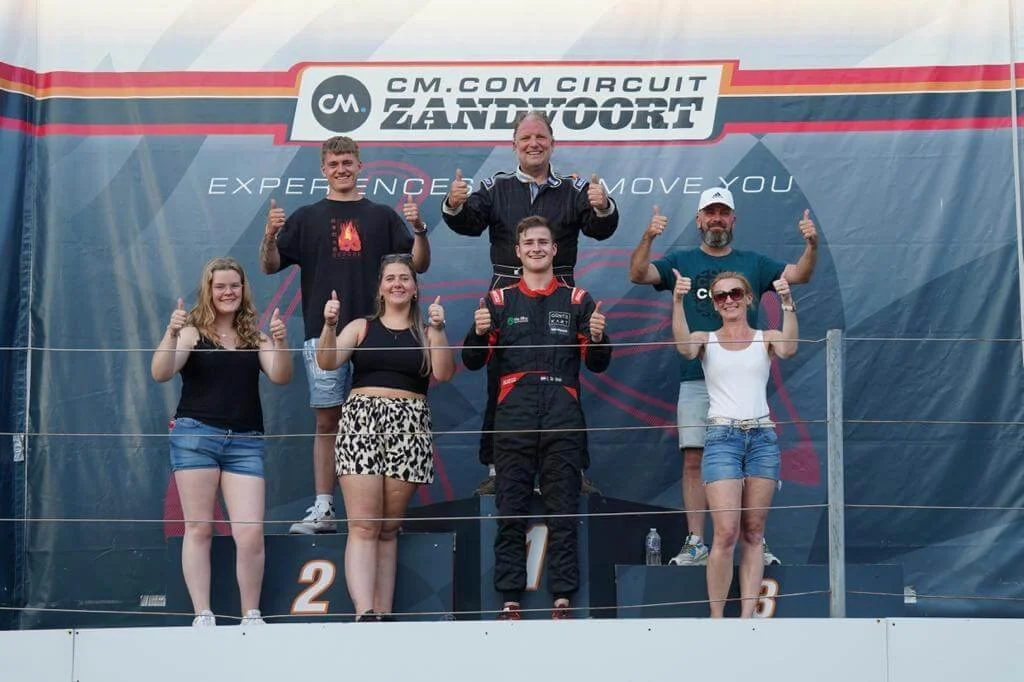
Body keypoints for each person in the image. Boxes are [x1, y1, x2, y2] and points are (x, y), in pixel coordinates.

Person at [629, 186, 817, 567]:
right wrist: (648, 237)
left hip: (740, 380)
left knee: (750, 461)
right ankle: (697, 542)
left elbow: (799, 274)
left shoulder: (753, 262)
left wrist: (811, 245)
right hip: (695, 377)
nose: (716, 219)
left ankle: (755, 541)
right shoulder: (681, 260)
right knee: (694, 459)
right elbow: (638, 273)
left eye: (723, 212)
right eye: (709, 212)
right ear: (699, 220)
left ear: (733, 220)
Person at [259, 136, 430, 534]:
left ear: (360, 166)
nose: (341, 169)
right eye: (334, 163)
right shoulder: (305, 217)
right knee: (327, 422)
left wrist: (419, 229)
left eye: (348, 162)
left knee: (388, 421)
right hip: (327, 334)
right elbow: (269, 266)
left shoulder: (383, 216)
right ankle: (324, 507)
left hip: (381, 332)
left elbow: (418, 263)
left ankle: (386, 514)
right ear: (323, 170)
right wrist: (269, 236)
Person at [442, 110, 618, 495]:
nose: (533, 144)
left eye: (540, 137)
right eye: (525, 138)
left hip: (560, 300)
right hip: (508, 299)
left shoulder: (573, 189)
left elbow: (601, 228)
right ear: (514, 146)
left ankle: (573, 470)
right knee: (500, 384)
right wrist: (454, 204)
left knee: (565, 383)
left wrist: (603, 205)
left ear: (553, 144)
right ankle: (494, 469)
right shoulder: (496, 187)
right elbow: (467, 221)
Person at [462, 215, 611, 620]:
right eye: (528, 242)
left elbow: (598, 364)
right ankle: (509, 597)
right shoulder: (497, 301)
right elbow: (472, 361)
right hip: (514, 413)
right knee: (510, 510)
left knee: (563, 510)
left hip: (563, 411)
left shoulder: (579, 300)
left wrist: (599, 337)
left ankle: (563, 598)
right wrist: (475, 333)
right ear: (518, 250)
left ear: (554, 248)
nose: (536, 248)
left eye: (543, 242)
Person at [151, 257, 293, 627]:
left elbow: (280, 376)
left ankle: (251, 615)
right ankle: (204, 614)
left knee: (250, 532)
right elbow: (161, 372)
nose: (228, 292)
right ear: (208, 291)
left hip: (245, 443)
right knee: (198, 527)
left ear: (243, 290)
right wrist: (170, 332)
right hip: (196, 437)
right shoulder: (193, 332)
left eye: (234, 286)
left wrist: (281, 341)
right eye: (220, 287)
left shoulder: (255, 336)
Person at [316, 254, 455, 621]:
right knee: (363, 524)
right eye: (390, 277)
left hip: (410, 426)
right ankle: (365, 612)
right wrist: (329, 325)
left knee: (389, 528)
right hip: (362, 421)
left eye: (404, 278)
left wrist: (439, 331)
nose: (397, 284)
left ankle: (384, 614)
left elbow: (444, 372)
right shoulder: (361, 327)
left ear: (415, 287)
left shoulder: (426, 332)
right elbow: (327, 362)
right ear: (380, 287)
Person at [671, 270, 797, 617]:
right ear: (713, 303)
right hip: (722, 436)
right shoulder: (705, 338)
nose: (728, 300)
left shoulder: (765, 336)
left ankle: (746, 621)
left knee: (754, 533)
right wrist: (678, 301)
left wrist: (787, 304)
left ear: (748, 297)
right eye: (721, 295)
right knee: (725, 532)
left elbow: (788, 349)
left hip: (761, 437)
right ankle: (717, 619)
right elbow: (683, 347)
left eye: (735, 293)